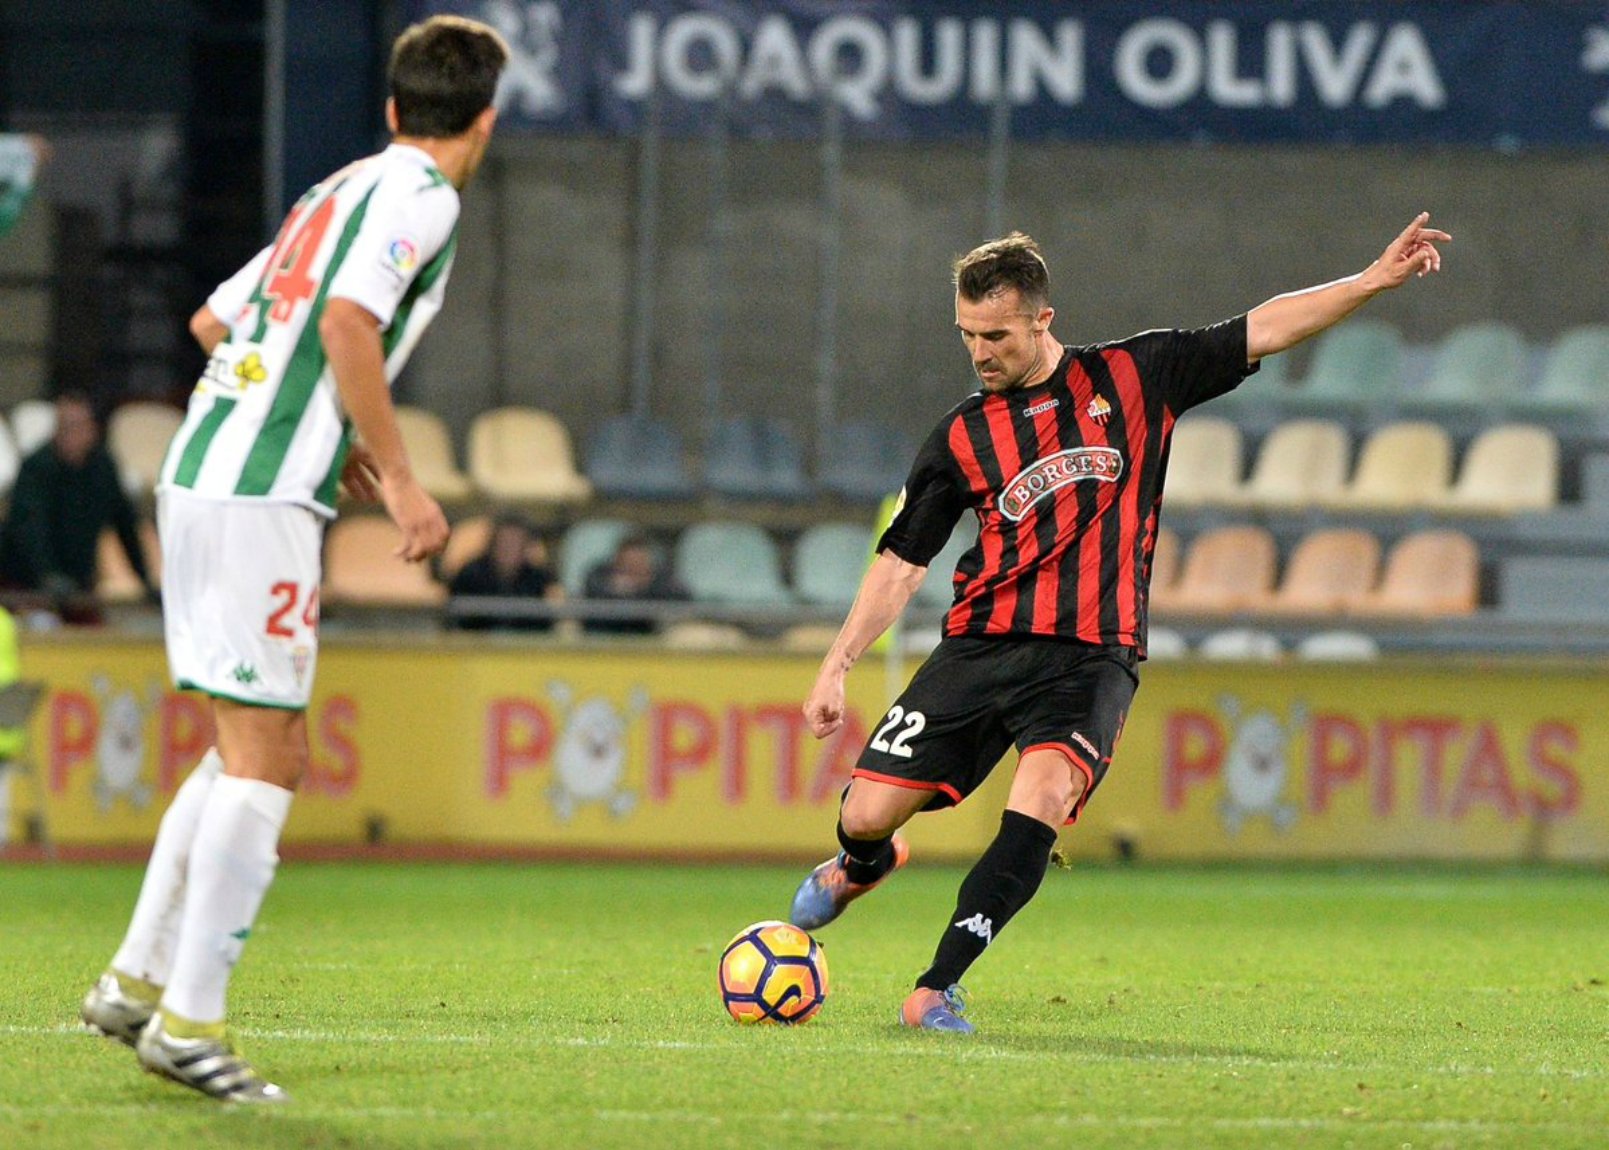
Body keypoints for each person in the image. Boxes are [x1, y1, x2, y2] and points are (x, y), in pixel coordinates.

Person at [789, 215, 1450, 1033]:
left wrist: (1369, 280)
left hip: (1092, 657)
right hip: (980, 643)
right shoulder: (961, 434)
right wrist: (838, 662)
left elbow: (1264, 327)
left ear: (1042, 319)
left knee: (1042, 798)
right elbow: (901, 560)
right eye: (966, 335)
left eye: (994, 334)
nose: (979, 352)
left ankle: (935, 987)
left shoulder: (1137, 376)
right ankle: (864, 863)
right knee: (864, 812)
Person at [78, 15, 508, 1102]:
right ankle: (190, 1021)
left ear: (394, 108)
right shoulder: (425, 199)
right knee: (271, 756)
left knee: (242, 747)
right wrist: (399, 474)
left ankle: (135, 983)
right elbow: (351, 324)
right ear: (486, 121)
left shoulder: (337, 189)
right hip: (258, 492)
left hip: (202, 468)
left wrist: (329, 433)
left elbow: (215, 321)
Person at [0, 391, 153, 609]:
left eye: (75, 426)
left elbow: (124, 522)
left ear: (92, 429)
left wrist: (144, 579)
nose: (67, 434)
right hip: (26, 583)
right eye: (62, 426)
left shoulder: (102, 468)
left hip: (78, 580)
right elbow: (29, 529)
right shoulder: (37, 467)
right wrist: (48, 575)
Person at [448, 513, 562, 632]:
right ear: (493, 544)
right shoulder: (470, 575)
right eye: (504, 542)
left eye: (515, 543)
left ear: (525, 547)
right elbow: (455, 620)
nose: (509, 549)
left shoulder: (537, 578)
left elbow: (543, 625)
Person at [581, 534, 688, 635]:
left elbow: (683, 599)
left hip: (652, 638)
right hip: (602, 635)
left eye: (638, 564)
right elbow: (592, 595)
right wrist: (617, 590)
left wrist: (638, 588)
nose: (634, 570)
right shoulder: (599, 575)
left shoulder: (662, 579)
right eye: (628, 564)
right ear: (617, 562)